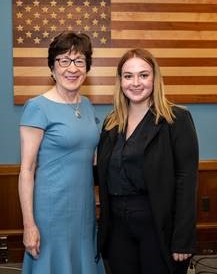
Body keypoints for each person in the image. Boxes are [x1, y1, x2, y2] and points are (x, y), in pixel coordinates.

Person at [96, 48, 199, 274]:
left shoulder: (176, 119)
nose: (136, 83)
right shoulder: (111, 123)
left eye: (143, 75)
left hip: (157, 224)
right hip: (118, 229)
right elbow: (103, 173)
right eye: (128, 76)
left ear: (155, 78)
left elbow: (186, 180)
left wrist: (183, 239)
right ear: (120, 81)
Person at [18, 31, 105, 274]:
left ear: (87, 68)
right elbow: (26, 170)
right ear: (52, 67)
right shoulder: (37, 107)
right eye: (63, 60)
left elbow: (91, 157)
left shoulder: (86, 105)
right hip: (51, 212)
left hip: (84, 209)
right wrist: (29, 225)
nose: (72, 68)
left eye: (79, 61)